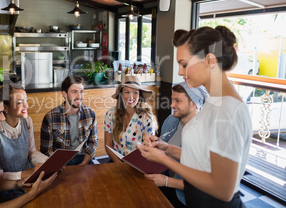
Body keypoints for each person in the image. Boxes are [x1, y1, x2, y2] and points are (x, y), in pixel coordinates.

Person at [138, 26, 252, 207]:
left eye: (184, 64)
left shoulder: (228, 110)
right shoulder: (215, 101)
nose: (180, 73)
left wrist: (164, 160)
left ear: (210, 60)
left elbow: (224, 189)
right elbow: (204, 161)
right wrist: (167, 149)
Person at [145, 82, 208, 207]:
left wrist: (166, 182)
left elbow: (204, 183)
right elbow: (165, 151)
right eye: (172, 99)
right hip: (165, 182)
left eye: (177, 101)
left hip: (187, 197)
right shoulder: (171, 120)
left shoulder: (205, 133)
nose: (172, 105)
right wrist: (155, 145)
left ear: (193, 103)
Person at [0, 85, 49, 203]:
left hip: (27, 180)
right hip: (5, 187)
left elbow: (32, 152)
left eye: (26, 100)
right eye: (20, 102)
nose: (26, 106)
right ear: (5, 107)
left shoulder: (27, 121)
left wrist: (50, 162)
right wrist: (26, 173)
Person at [40, 75, 98, 165]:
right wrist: (60, 165)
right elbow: (46, 151)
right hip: (59, 162)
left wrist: (85, 162)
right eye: (74, 92)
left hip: (83, 158)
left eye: (81, 92)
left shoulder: (90, 114)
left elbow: (93, 142)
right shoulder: (50, 117)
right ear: (64, 94)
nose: (79, 96)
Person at [104, 75, 158, 162]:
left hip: (139, 163)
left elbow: (149, 150)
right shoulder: (111, 114)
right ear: (121, 94)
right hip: (116, 161)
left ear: (139, 95)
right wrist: (119, 164)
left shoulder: (147, 118)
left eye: (135, 92)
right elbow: (108, 145)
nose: (131, 97)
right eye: (127, 92)